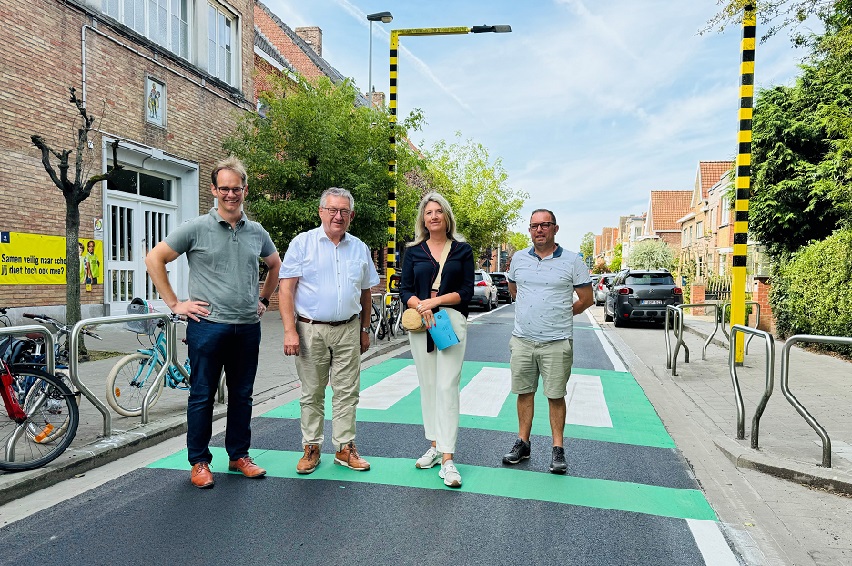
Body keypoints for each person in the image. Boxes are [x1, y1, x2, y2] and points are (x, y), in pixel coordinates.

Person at [145, 156, 281, 489]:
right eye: (225, 188)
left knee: (242, 395)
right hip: (207, 327)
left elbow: (275, 264)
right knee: (202, 395)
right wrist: (176, 304)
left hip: (247, 327)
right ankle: (200, 462)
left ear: (245, 190)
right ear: (213, 190)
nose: (231, 194)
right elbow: (154, 258)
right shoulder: (196, 228)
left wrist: (263, 299)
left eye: (236, 189)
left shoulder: (256, 232)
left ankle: (238, 456)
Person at [279, 187, 379, 475]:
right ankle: (311, 447)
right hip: (310, 330)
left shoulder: (359, 248)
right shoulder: (303, 243)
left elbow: (365, 292)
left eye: (344, 211)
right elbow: (286, 289)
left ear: (351, 215)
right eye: (332, 210)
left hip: (348, 329)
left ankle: (345, 447)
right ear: (321, 211)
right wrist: (289, 330)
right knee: (312, 391)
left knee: (348, 392)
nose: (338, 216)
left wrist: (364, 328)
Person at [502, 209, 593, 474]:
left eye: (545, 225)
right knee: (524, 392)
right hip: (523, 339)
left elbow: (586, 299)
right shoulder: (518, 259)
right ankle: (523, 443)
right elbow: (514, 289)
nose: (539, 230)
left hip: (556, 341)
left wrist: (565, 313)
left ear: (555, 228)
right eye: (534, 226)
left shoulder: (573, 261)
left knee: (555, 395)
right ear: (529, 230)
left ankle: (557, 449)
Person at [399, 192, 474, 488]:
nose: (433, 216)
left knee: (447, 386)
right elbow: (405, 289)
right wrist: (420, 305)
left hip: (449, 322)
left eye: (438, 212)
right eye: (428, 212)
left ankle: (448, 458)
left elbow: (466, 291)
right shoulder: (414, 252)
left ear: (446, 217)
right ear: (423, 219)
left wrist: (434, 302)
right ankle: (433, 446)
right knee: (428, 386)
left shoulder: (462, 250)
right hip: (421, 325)